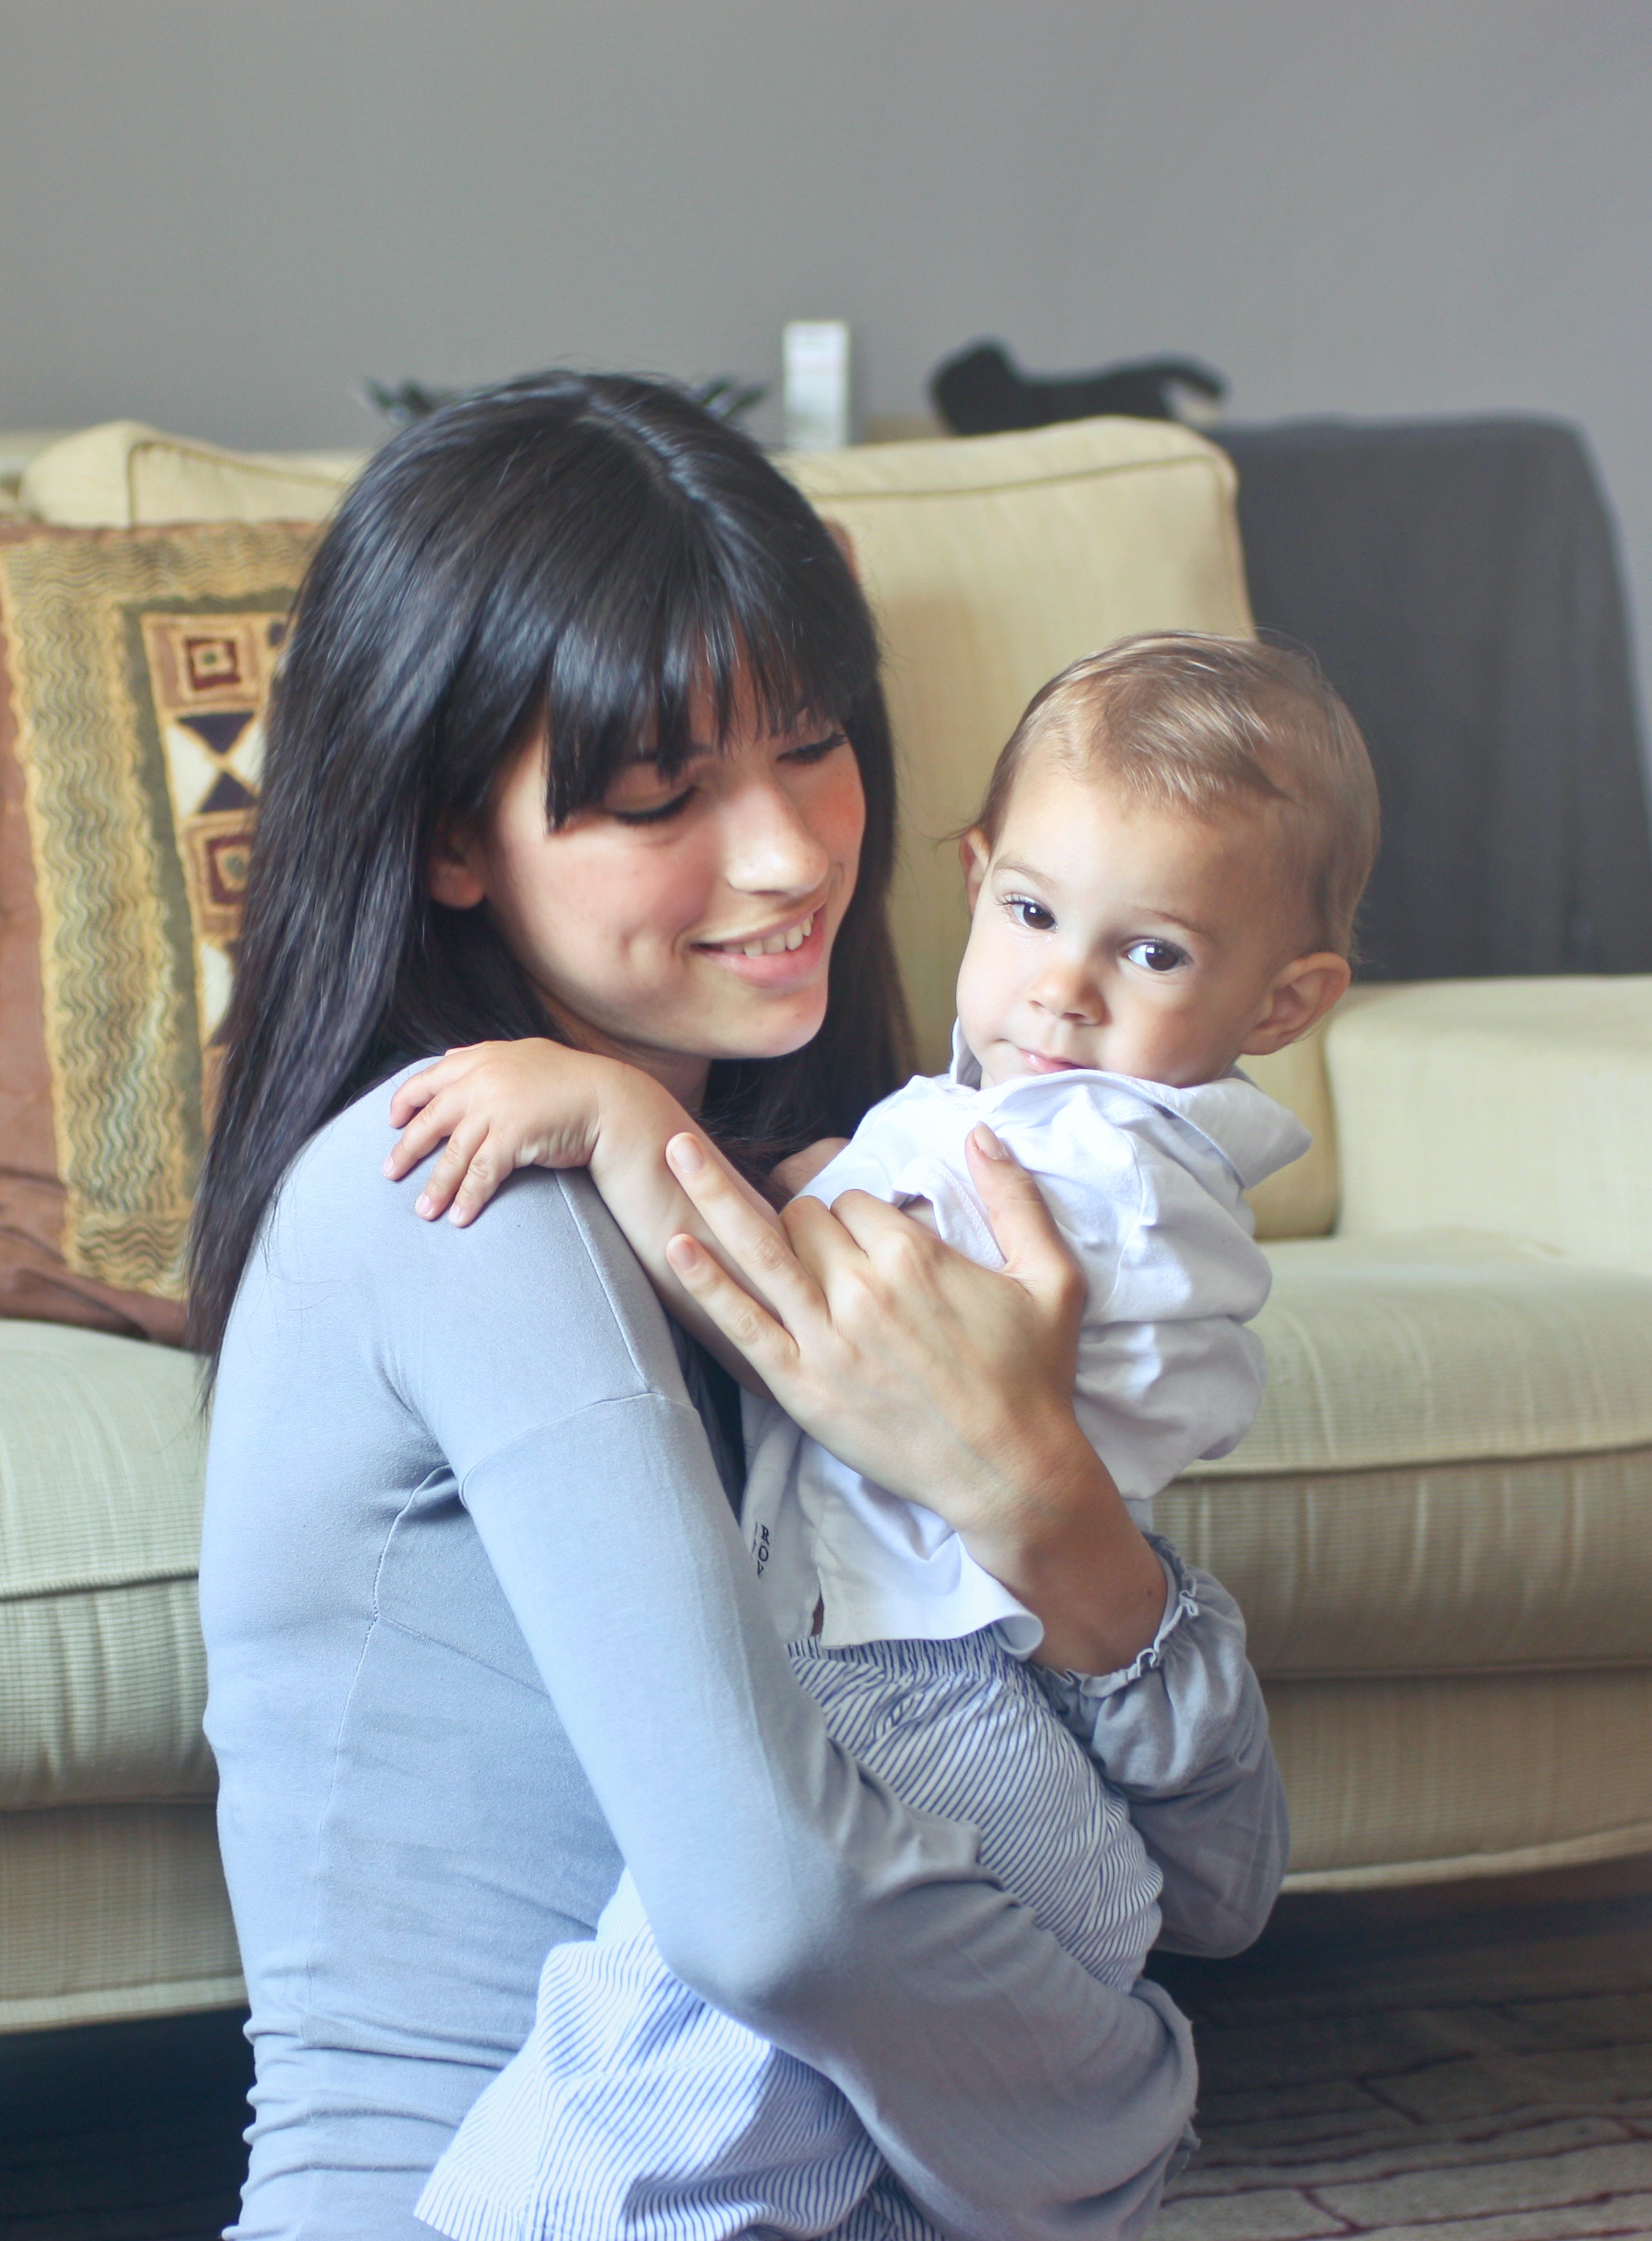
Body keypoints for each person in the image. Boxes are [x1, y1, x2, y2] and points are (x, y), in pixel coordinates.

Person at [192, 372, 1287, 2241]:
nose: (786, 855)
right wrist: (1128, 2096)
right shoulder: (456, 1186)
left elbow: (1224, 1875)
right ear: (458, 841)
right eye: (659, 796)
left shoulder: (860, 1207)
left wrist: (1043, 1499)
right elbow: (770, 1905)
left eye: (810, 743)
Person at [382, 634, 1377, 2240]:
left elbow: (804, 1326)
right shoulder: (1015, 1123)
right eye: (1037, 913)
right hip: (962, 1684)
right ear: (977, 877)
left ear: (1288, 1000)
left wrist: (623, 1114)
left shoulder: (1096, 1152)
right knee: (796, 2136)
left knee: (653, 2059)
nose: (1063, 983)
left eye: (1156, 954)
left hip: (912, 1681)